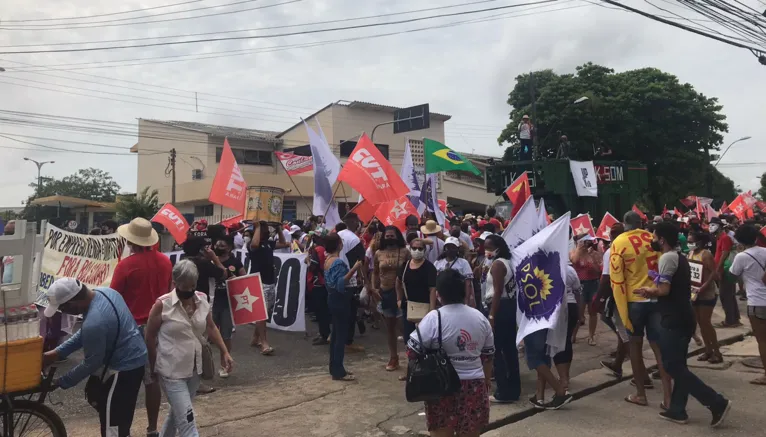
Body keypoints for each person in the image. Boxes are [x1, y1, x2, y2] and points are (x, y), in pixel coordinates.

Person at [634, 222, 732, 427]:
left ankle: (716, 402)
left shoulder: (668, 258)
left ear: (661, 239)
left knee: (671, 365)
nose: (652, 240)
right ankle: (677, 410)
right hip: (682, 315)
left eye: (654, 236)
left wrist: (648, 290)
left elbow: (664, 290)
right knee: (678, 364)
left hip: (675, 318)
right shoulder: (678, 257)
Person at [42, 278, 148, 437]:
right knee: (117, 423)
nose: (63, 313)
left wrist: (62, 381)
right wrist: (56, 353)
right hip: (134, 358)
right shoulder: (106, 292)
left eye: (62, 309)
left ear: (72, 304)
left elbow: (92, 362)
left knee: (113, 429)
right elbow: (86, 333)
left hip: (123, 371)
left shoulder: (95, 320)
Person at [145, 260, 234, 437]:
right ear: (174, 283)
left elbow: (210, 327)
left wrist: (225, 351)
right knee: (187, 423)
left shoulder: (201, 299)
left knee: (177, 413)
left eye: (192, 286)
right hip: (171, 370)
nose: (188, 291)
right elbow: (150, 336)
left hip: (195, 369)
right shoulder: (163, 305)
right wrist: (153, 365)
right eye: (184, 287)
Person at [407, 269, 495, 437]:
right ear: (464, 292)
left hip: (440, 388)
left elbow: (412, 352)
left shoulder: (434, 318)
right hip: (474, 386)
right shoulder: (480, 318)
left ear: (439, 295)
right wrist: (486, 379)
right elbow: (488, 354)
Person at [110, 217, 172, 437]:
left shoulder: (125, 266)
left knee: (128, 382)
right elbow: (169, 291)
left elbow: (114, 298)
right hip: (161, 326)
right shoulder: (165, 261)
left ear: (130, 241)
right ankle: (152, 427)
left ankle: (123, 429)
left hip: (133, 329)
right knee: (152, 380)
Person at [610, 211, 671, 408]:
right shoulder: (652, 238)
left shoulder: (619, 242)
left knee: (634, 347)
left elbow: (616, 279)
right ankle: (668, 399)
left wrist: (620, 307)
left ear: (624, 223)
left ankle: (640, 394)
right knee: (659, 348)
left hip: (633, 300)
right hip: (655, 297)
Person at [483, 235, 521, 405]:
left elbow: (498, 291)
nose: (487, 250)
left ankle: (504, 390)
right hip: (508, 307)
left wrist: (491, 315)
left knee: (498, 350)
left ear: (498, 247)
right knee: (509, 350)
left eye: (489, 247)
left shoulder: (498, 265)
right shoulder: (506, 262)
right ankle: (513, 388)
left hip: (499, 308)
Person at [728, 224, 766, 385]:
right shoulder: (765, 251)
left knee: (763, 341)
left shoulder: (741, 257)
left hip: (756, 302)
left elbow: (732, 276)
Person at [324, 233, 363, 381]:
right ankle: (338, 370)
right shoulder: (338, 262)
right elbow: (340, 283)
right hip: (340, 299)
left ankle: (334, 367)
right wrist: (354, 269)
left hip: (332, 298)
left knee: (335, 335)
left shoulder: (328, 260)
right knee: (340, 336)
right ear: (339, 244)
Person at [596, 224, 631, 379]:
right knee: (623, 332)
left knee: (624, 333)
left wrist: (599, 298)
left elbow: (606, 278)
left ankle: (642, 376)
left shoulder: (612, 251)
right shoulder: (630, 248)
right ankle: (618, 363)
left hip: (617, 296)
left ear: (612, 235)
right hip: (632, 295)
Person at [373, 226, 409, 371]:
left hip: (403, 295)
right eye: (386, 236)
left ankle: (411, 358)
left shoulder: (405, 252)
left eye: (391, 235)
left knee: (404, 328)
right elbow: (375, 272)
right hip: (385, 293)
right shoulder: (378, 253)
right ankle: (393, 357)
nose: (389, 238)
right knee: (390, 328)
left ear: (397, 236)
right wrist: (374, 289)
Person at [249, 221, 287, 355]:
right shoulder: (253, 244)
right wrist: (258, 226)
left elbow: (283, 243)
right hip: (258, 281)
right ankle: (264, 343)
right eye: (263, 227)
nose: (266, 229)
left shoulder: (268, 243)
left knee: (265, 312)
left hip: (270, 281)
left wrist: (279, 229)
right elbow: (254, 244)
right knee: (262, 313)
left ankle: (255, 338)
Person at [212, 236, 245, 377]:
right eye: (217, 244)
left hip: (227, 303)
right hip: (211, 302)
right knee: (205, 335)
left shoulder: (235, 262)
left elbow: (245, 280)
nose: (218, 247)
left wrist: (235, 280)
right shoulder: (210, 261)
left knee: (225, 335)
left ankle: (224, 365)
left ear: (230, 248)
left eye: (222, 245)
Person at [687, 231, 722, 364]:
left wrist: (704, 287)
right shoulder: (690, 253)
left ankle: (717, 353)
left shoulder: (706, 254)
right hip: (694, 292)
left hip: (707, 293)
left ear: (699, 242)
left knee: (706, 323)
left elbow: (713, 272)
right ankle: (708, 350)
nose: (689, 244)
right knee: (700, 323)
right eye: (688, 242)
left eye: (691, 241)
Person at [338, 213, 367, 352]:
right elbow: (360, 261)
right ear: (355, 222)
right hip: (350, 279)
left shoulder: (337, 235)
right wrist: (363, 278)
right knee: (350, 312)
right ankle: (348, 342)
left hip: (336, 277)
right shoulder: (354, 239)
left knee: (339, 311)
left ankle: (337, 337)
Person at [553, 261, 582, 394]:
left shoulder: (548, 267)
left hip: (557, 309)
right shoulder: (570, 270)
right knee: (566, 341)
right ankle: (565, 376)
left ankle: (563, 378)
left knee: (558, 343)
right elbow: (577, 292)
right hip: (571, 306)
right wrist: (580, 313)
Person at [570, 234, 602, 345]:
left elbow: (598, 270)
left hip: (593, 284)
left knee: (593, 312)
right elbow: (574, 261)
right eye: (582, 241)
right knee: (579, 313)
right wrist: (579, 249)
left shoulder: (594, 254)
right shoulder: (574, 252)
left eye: (586, 241)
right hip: (580, 285)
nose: (585, 243)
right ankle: (573, 335)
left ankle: (591, 336)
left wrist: (591, 258)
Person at [710, 217, 742, 327]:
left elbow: (724, 254)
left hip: (725, 270)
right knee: (729, 295)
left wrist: (718, 269)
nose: (710, 227)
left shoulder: (724, 238)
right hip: (722, 269)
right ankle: (735, 319)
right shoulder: (719, 238)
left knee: (725, 295)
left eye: (713, 224)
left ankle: (730, 320)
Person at [435, 237, 475, 306]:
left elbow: (468, 283)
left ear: (458, 249)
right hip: (441, 298)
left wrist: (466, 300)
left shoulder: (463, 263)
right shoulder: (438, 263)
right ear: (444, 249)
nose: (450, 250)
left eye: (453, 247)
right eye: (448, 248)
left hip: (458, 297)